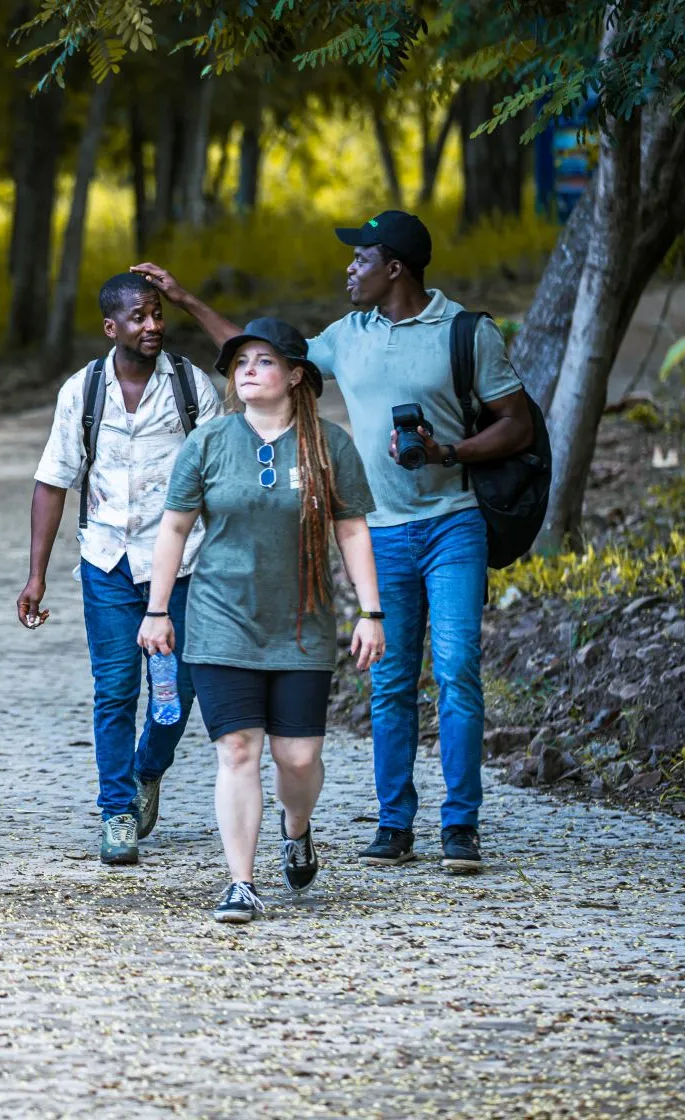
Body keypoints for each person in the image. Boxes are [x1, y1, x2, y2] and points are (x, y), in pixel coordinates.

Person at [134, 209, 533, 875]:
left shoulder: (466, 332)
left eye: (361, 258)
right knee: (392, 679)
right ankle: (394, 822)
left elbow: (515, 423)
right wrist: (187, 300)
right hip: (382, 532)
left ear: (394, 267)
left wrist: (449, 450)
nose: (350, 269)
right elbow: (263, 354)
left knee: (458, 669)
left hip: (453, 523)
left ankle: (460, 823)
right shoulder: (349, 336)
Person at [138, 318, 384, 923]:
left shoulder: (330, 445)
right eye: (240, 361)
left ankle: (295, 827)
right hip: (222, 620)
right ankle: (241, 882)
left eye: (264, 361)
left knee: (298, 758)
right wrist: (158, 609)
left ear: (296, 375)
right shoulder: (209, 442)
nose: (248, 369)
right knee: (239, 751)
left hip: (302, 623)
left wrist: (371, 612)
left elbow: (351, 528)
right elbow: (173, 527)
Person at [17, 272, 223, 866]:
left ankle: (147, 769)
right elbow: (53, 481)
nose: (152, 325)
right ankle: (117, 813)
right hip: (106, 561)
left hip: (180, 564)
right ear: (113, 328)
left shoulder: (191, 387)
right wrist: (37, 575)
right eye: (138, 317)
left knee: (174, 697)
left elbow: (219, 473)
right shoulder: (82, 391)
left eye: (157, 313)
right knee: (114, 691)